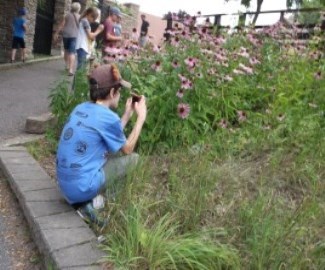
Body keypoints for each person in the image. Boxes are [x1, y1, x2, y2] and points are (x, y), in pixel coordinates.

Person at [56, 63, 147, 226]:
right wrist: (140, 118)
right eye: (119, 91)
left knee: (109, 153)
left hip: (65, 186)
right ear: (112, 92)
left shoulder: (80, 108)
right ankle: (99, 203)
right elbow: (127, 149)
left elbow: (110, 133)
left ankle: (88, 201)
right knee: (134, 159)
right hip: (82, 188)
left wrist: (126, 115)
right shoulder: (108, 117)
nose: (119, 95)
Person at [54, 2, 81, 76]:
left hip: (66, 35)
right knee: (72, 52)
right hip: (74, 36)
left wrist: (56, 33)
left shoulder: (67, 15)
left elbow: (62, 25)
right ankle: (71, 69)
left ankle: (67, 65)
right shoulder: (80, 17)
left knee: (66, 50)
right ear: (78, 9)